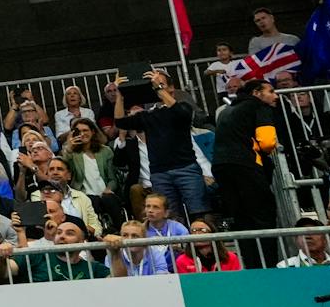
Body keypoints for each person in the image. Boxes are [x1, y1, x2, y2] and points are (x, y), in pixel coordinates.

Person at [111, 70, 206, 223]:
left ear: (171, 88)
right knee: (169, 218)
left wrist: (158, 89)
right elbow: (120, 122)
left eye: (160, 84)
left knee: (199, 212)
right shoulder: (149, 115)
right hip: (159, 173)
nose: (156, 87)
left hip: (185, 168)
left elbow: (181, 114)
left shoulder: (183, 107)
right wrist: (120, 95)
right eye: (153, 85)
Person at [213, 79, 284, 266]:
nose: (275, 96)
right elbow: (267, 142)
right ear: (256, 93)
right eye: (271, 91)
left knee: (242, 220)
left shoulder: (227, 111)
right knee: (263, 216)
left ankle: (252, 267)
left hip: (221, 168)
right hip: (246, 166)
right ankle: (269, 267)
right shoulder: (259, 106)